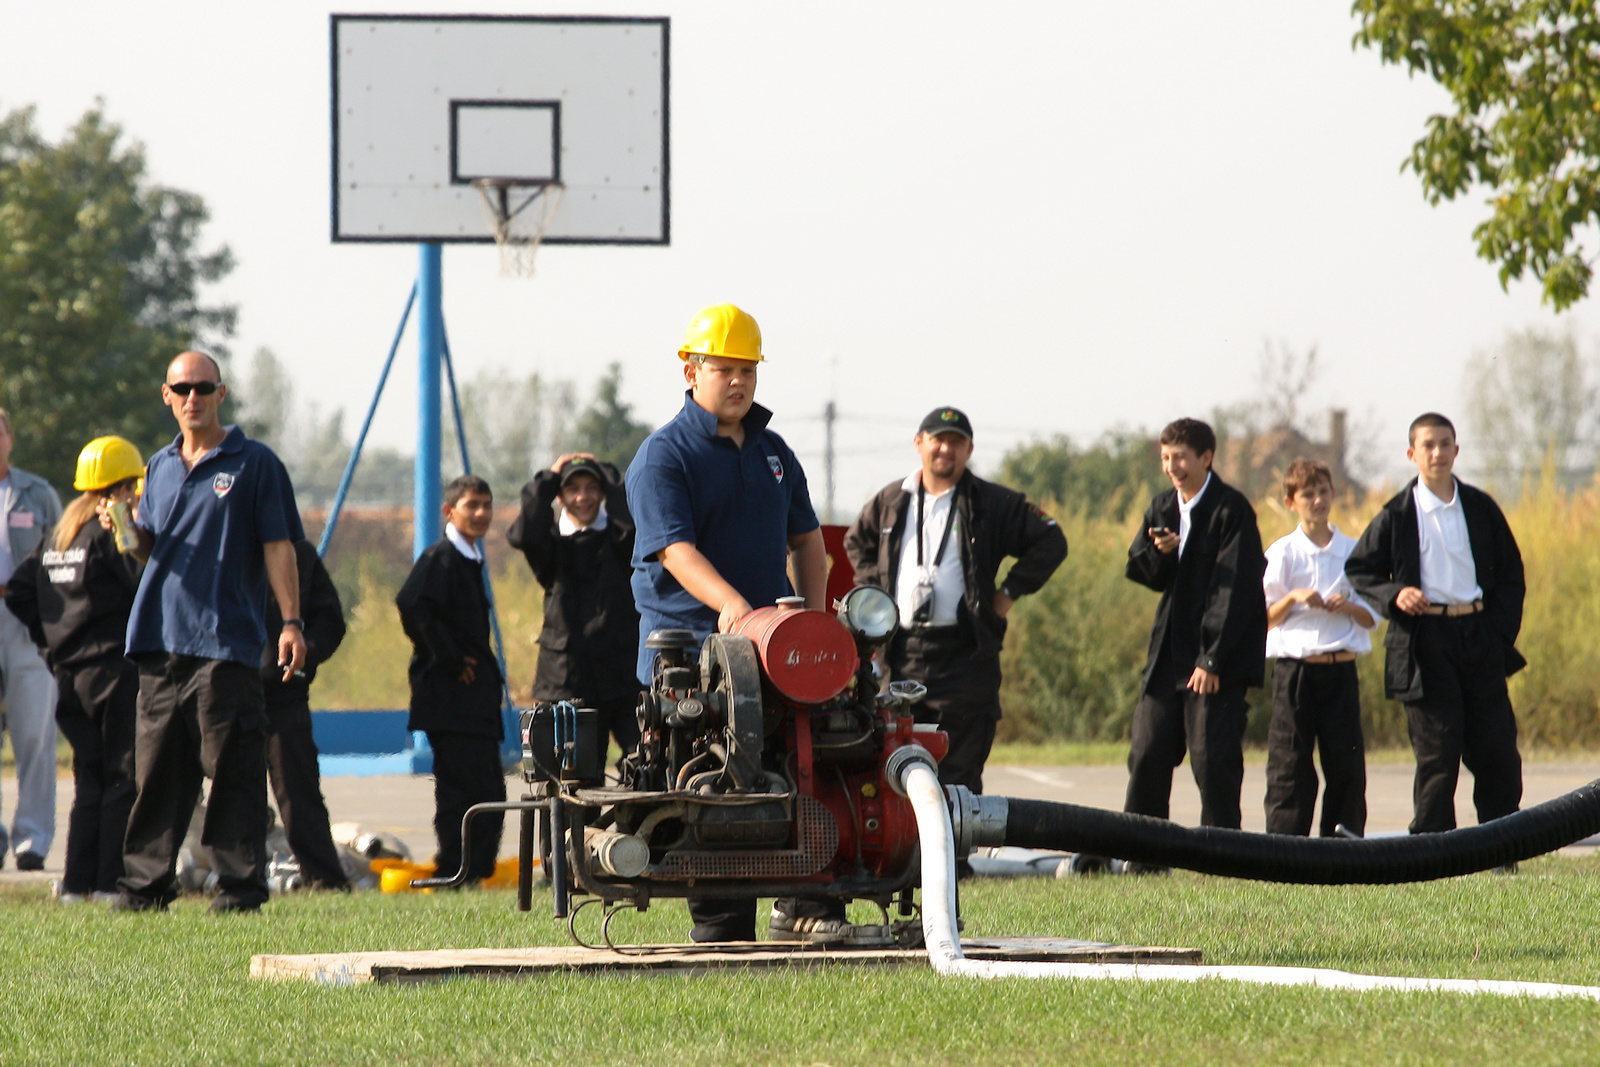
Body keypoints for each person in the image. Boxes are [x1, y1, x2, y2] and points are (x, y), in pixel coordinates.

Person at [626, 302, 850, 944]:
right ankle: (722, 931)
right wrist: (734, 608)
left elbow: (808, 542)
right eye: (724, 368)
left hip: (774, 651)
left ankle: (810, 904)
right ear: (691, 371)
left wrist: (812, 619)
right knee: (722, 789)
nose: (738, 381)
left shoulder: (774, 452)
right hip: (695, 661)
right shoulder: (662, 457)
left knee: (813, 765)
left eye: (747, 368)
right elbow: (675, 550)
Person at [110, 350, 307, 913]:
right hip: (158, 642)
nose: (192, 398)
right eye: (182, 389)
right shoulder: (160, 467)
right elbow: (150, 549)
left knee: (234, 770)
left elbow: (278, 546)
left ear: (221, 394)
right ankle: (145, 887)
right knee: (155, 773)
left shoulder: (254, 463)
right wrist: (124, 527)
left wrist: (291, 623)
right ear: (166, 396)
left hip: (226, 645)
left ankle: (240, 887)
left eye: (203, 388)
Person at [845, 406, 1066, 793]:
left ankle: (957, 856)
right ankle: (908, 855)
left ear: (969, 450)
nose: (946, 449)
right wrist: (876, 597)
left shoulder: (992, 502)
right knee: (894, 772)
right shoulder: (891, 500)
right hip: (900, 653)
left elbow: (1051, 540)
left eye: (956, 442)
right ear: (919, 444)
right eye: (938, 439)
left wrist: (1007, 594)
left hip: (966, 657)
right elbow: (856, 542)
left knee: (958, 779)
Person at [1345, 413, 1526, 837]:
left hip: (1480, 638)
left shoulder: (1480, 508)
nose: (1437, 453)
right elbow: (1360, 569)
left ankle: (1501, 848)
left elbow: (1511, 573)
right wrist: (1395, 595)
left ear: (1456, 450)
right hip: (1425, 644)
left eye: (1445, 444)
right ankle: (1431, 848)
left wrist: (1498, 633)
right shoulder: (1397, 514)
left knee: (1497, 751)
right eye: (1428, 445)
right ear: (1412, 454)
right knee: (1438, 754)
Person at [5, 437, 142, 899]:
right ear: (122, 488)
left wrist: (51, 643)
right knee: (122, 777)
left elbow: (19, 590)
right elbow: (142, 584)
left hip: (68, 675)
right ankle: (109, 883)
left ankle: (77, 884)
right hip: (113, 673)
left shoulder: (59, 535)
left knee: (89, 780)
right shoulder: (111, 532)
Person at [1123, 417, 1267, 831]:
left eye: (1181, 457)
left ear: (1206, 457)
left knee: (1212, 758)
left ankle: (1223, 852)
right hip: (1167, 656)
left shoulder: (1231, 510)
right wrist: (1161, 554)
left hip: (1212, 664)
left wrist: (1211, 659)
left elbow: (1235, 592)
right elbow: (1143, 572)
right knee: (1148, 750)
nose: (1172, 466)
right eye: (1166, 458)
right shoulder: (1162, 507)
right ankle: (1141, 852)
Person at [396, 474, 506, 884]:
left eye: (486, 505)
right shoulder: (442, 557)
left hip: (474, 701)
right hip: (452, 700)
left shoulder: (469, 558)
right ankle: (455, 868)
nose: (480, 513)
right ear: (449, 511)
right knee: (460, 789)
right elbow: (412, 603)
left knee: (488, 787)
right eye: (471, 505)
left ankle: (477, 869)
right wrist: (451, 657)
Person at [1261, 458, 1376, 838]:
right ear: (1291, 501)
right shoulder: (1282, 553)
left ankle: (1342, 844)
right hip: (1297, 671)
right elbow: (1264, 617)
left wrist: (1350, 607)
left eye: (1323, 492)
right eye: (1307, 494)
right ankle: (1285, 846)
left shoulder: (1352, 550)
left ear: (1333, 495)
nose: (1317, 501)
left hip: (1340, 668)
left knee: (1345, 763)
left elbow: (1372, 616)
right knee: (1290, 764)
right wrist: (1294, 597)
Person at [507, 453, 641, 762]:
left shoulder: (621, 540)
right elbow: (523, 533)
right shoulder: (549, 546)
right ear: (560, 495)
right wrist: (548, 478)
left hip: (624, 678)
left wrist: (609, 475)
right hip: (568, 681)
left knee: (647, 769)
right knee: (574, 782)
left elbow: (633, 524)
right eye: (573, 488)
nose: (583, 497)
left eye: (592, 487)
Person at [261, 539, 350, 890]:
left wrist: (304, 654)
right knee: (231, 793)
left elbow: (331, 620)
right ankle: (236, 879)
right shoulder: (223, 542)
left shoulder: (300, 554)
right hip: (223, 689)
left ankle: (325, 880)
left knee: (299, 793)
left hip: (284, 694)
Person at [0, 408, 64, 871]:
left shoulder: (35, 495)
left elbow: (62, 560)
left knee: (35, 734)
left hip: (26, 622)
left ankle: (33, 840)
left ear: (10, 437)